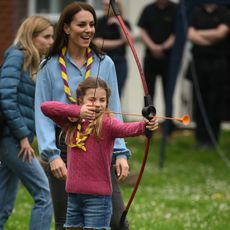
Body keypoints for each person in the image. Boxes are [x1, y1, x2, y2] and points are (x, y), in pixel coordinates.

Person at [35, 2, 131, 230]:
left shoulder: (104, 63)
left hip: (100, 144)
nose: (88, 30)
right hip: (65, 149)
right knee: (67, 223)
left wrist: (120, 153)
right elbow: (43, 113)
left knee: (117, 220)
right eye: (81, 25)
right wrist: (52, 155)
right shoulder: (48, 66)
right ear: (67, 28)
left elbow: (113, 108)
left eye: (91, 24)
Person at [41, 77, 158, 230]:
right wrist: (77, 111)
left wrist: (145, 126)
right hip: (74, 196)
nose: (97, 104)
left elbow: (126, 129)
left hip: (98, 199)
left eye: (102, 100)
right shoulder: (72, 124)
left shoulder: (107, 123)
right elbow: (46, 107)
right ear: (81, 100)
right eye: (92, 99)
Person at [0, 15, 54, 230]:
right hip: (12, 139)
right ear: (32, 37)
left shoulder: (33, 62)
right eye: (47, 37)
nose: (51, 41)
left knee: (3, 201)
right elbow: (5, 97)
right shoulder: (16, 56)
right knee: (44, 194)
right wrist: (23, 137)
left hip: (15, 139)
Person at [188, 4, 230, 149]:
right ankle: (200, 138)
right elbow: (190, 34)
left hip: (218, 63)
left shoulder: (224, 12)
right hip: (199, 62)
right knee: (199, 101)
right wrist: (210, 39)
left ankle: (212, 139)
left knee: (215, 102)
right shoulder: (196, 12)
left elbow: (221, 34)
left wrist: (200, 34)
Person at [137, 0, 177, 136]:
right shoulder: (148, 9)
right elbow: (142, 30)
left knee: (168, 94)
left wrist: (164, 46)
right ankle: (148, 130)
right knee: (149, 96)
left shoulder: (175, 9)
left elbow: (177, 32)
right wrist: (152, 46)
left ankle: (168, 131)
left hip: (169, 60)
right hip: (150, 59)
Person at [94, 0, 131, 96]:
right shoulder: (99, 22)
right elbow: (98, 43)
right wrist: (120, 42)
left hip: (120, 61)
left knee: (118, 92)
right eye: (103, 5)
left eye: (107, 6)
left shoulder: (124, 22)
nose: (104, 8)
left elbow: (129, 40)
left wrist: (119, 24)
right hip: (102, 60)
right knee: (102, 90)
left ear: (115, 7)